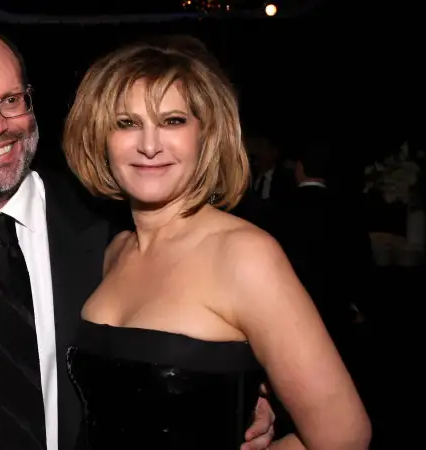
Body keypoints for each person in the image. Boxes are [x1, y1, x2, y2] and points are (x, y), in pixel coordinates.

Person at [0, 30, 276, 450]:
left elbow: (189, 340)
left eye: (10, 101)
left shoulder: (114, 225)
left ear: (31, 102)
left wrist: (232, 400)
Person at [62, 36, 371, 448]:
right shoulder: (115, 250)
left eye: (173, 121)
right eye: (126, 123)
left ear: (206, 135)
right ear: (100, 138)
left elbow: (344, 437)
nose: (149, 145)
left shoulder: (244, 255)